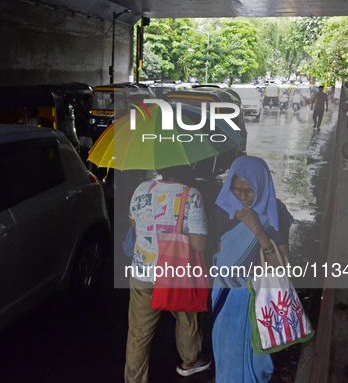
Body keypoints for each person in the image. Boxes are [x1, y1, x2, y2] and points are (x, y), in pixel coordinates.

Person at [125, 165, 211, 383]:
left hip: (142, 271)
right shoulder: (191, 195)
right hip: (175, 274)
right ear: (189, 167)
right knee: (186, 317)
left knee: (139, 332)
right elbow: (199, 245)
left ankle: (134, 380)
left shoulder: (141, 189)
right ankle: (189, 361)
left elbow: (134, 225)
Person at [210, 156, 293, 383]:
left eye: (250, 191)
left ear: (263, 186)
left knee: (256, 354)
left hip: (258, 295)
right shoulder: (223, 209)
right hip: (227, 293)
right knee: (227, 351)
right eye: (237, 190)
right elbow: (221, 254)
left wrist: (258, 230)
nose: (243, 197)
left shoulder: (275, 212)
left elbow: (282, 265)